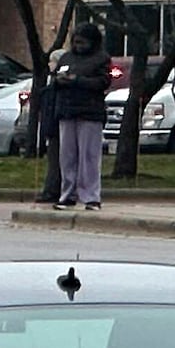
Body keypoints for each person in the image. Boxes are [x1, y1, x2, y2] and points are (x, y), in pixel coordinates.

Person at [53, 23, 111, 211]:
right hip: (67, 110)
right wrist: (59, 80)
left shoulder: (101, 59)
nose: (78, 45)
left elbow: (103, 82)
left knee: (89, 156)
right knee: (67, 156)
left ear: (92, 42)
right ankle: (67, 194)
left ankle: (91, 196)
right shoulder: (66, 58)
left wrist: (76, 80)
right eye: (76, 42)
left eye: (82, 42)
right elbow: (55, 79)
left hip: (90, 112)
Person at [35, 48, 69, 204]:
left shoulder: (59, 84)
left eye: (52, 61)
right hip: (52, 126)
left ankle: (53, 190)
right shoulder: (52, 82)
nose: (49, 64)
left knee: (56, 161)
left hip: (56, 126)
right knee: (54, 159)